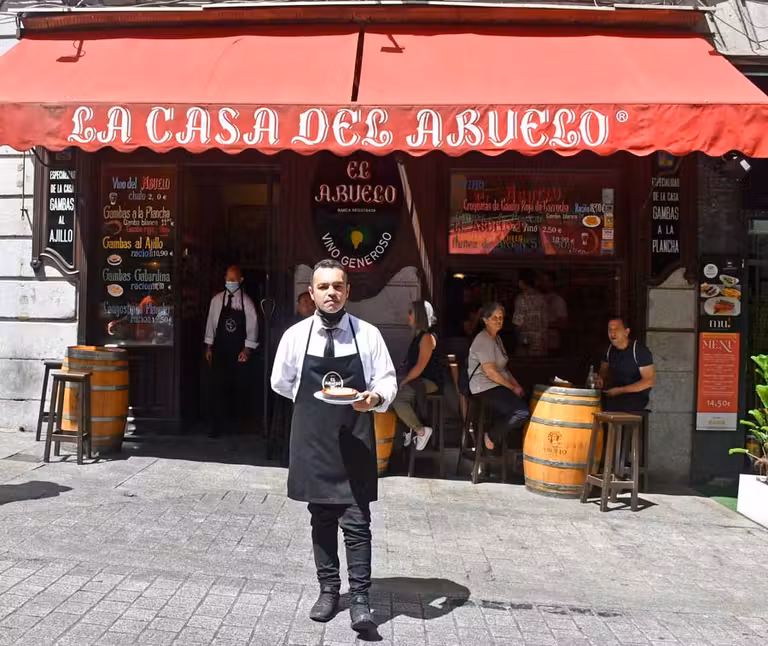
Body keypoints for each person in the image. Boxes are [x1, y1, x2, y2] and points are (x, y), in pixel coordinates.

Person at [270, 259, 397, 632]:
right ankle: (328, 591)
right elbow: (282, 382)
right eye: (323, 287)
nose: (331, 293)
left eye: (338, 286)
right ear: (312, 293)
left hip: (355, 438)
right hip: (313, 441)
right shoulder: (295, 336)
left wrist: (372, 399)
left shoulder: (368, 334)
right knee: (321, 520)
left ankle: (360, 600)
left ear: (347, 292)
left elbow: (387, 380)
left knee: (357, 523)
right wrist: (314, 405)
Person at [204, 265, 259, 436]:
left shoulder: (247, 302)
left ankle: (237, 426)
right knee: (217, 387)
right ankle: (216, 426)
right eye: (228, 279)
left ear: (241, 280)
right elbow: (210, 324)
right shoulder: (217, 300)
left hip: (238, 352)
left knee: (237, 387)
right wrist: (208, 346)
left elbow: (253, 326)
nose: (230, 282)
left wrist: (248, 349)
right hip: (220, 350)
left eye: (234, 279)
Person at [467, 303, 530, 452]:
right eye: (494, 317)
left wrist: (517, 386)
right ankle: (492, 436)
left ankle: (504, 447)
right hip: (484, 386)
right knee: (521, 412)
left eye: (501, 317)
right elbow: (492, 373)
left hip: (495, 385)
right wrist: (512, 388)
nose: (498, 320)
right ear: (485, 320)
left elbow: (504, 370)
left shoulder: (497, 339)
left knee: (525, 401)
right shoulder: (483, 339)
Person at [391, 300, 443, 451]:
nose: (408, 316)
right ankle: (409, 428)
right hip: (419, 379)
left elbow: (420, 366)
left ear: (419, 316)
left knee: (397, 398)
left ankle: (420, 430)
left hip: (430, 381)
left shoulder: (427, 337)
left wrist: (405, 381)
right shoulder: (418, 336)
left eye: (411, 312)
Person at [596, 317, 656, 413]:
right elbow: (603, 371)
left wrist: (619, 390)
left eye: (616, 329)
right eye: (610, 329)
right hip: (613, 395)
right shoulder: (608, 350)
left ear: (626, 332)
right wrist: (600, 379)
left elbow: (648, 381)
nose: (612, 333)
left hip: (635, 398)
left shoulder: (639, 350)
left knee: (621, 406)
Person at [512, 269, 548, 356]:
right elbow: (545, 321)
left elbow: (518, 322)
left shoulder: (521, 299)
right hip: (541, 338)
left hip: (525, 338)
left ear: (521, 283)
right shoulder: (542, 298)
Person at [537, 270, 568, 353]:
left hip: (552, 344)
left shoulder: (558, 301)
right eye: (541, 281)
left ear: (552, 282)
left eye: (545, 281)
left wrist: (543, 324)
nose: (542, 284)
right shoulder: (536, 298)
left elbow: (562, 323)